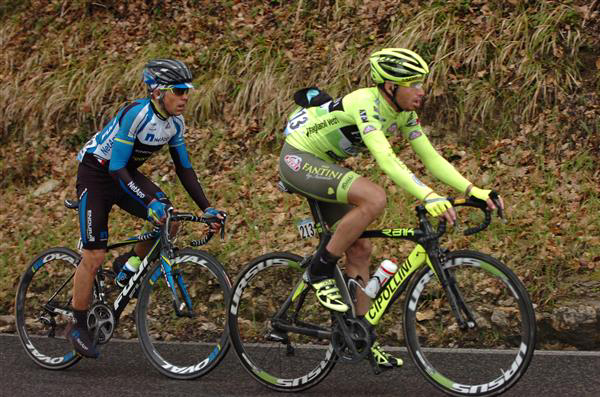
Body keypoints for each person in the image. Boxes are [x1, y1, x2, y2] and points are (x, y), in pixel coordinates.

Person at [279, 48, 503, 369]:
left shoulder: (403, 113)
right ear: (389, 87)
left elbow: (430, 158)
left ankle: (360, 336)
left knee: (360, 248)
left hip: (325, 164)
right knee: (374, 198)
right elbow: (386, 159)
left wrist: (474, 190)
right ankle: (319, 271)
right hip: (298, 158)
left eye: (421, 82)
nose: (421, 90)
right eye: (413, 83)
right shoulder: (365, 102)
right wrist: (428, 196)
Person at [69, 59, 224, 358]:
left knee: (169, 219)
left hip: (124, 172)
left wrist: (207, 208)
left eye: (187, 91)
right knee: (94, 254)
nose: (185, 97)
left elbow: (184, 168)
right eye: (179, 90)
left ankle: (127, 267)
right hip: (97, 173)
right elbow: (115, 166)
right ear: (157, 92)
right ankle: (76, 325)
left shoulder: (175, 122)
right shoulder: (136, 114)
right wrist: (148, 200)